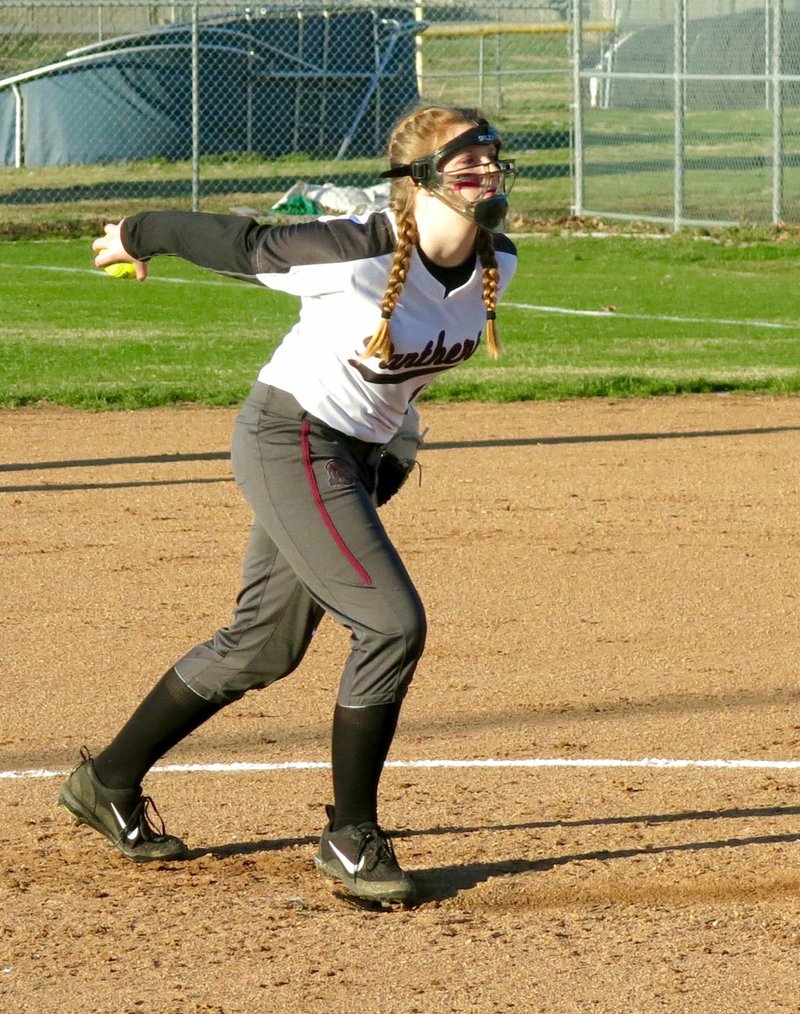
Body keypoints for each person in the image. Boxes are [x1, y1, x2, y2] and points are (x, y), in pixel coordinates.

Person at [59, 104, 518, 905]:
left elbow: (400, 379)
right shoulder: (352, 251)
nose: (484, 173)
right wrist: (136, 231)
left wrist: (395, 448)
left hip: (355, 455)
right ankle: (349, 836)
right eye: (464, 161)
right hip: (292, 439)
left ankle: (107, 781)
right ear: (418, 182)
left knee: (260, 647)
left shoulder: (497, 263)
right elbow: (239, 243)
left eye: (491, 158)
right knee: (391, 623)